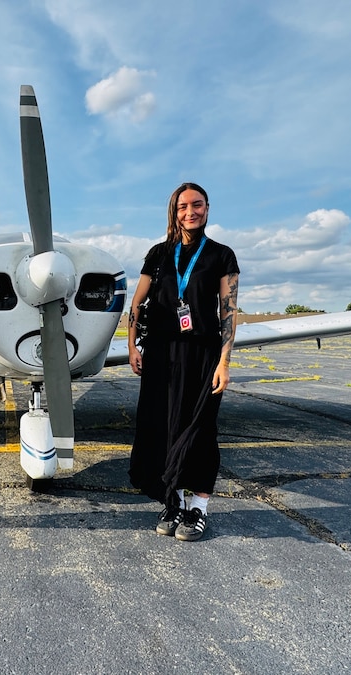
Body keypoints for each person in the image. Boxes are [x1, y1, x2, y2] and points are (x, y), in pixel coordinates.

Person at [127, 182, 240, 541]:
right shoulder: (158, 254)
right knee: (162, 427)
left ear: (207, 208)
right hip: (161, 353)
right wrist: (132, 346)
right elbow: (137, 303)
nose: (190, 212)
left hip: (203, 353)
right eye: (183, 206)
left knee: (201, 429)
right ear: (174, 212)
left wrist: (224, 362)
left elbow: (228, 312)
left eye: (197, 205)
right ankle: (173, 502)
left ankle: (198, 508)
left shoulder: (222, 255)